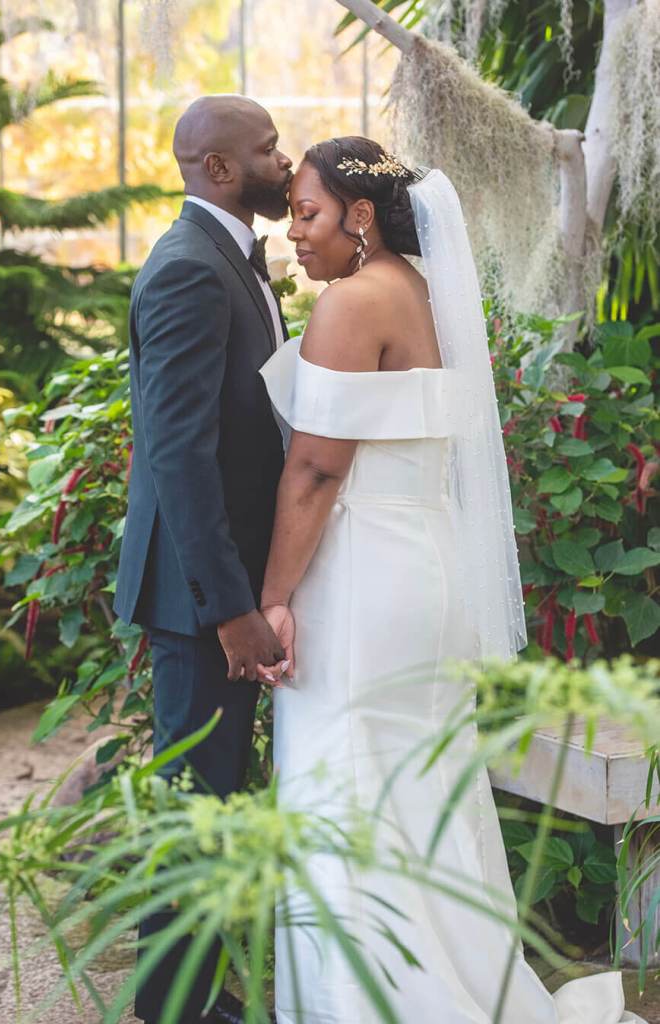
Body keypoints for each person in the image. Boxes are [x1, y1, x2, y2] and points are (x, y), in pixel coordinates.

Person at [258, 136, 646, 1023]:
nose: (294, 234)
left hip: (358, 573)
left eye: (308, 214)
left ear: (361, 215)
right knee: (420, 782)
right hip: (426, 566)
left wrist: (274, 597)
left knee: (346, 780)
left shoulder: (353, 303)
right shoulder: (428, 294)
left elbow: (315, 470)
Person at [113, 95, 292, 1024]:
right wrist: (229, 608)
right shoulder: (189, 267)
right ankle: (171, 1007)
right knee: (195, 801)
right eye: (269, 149)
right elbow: (178, 454)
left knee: (209, 792)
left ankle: (184, 992)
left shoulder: (229, 256)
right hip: (200, 600)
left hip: (220, 583)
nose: (283, 161)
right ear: (219, 169)